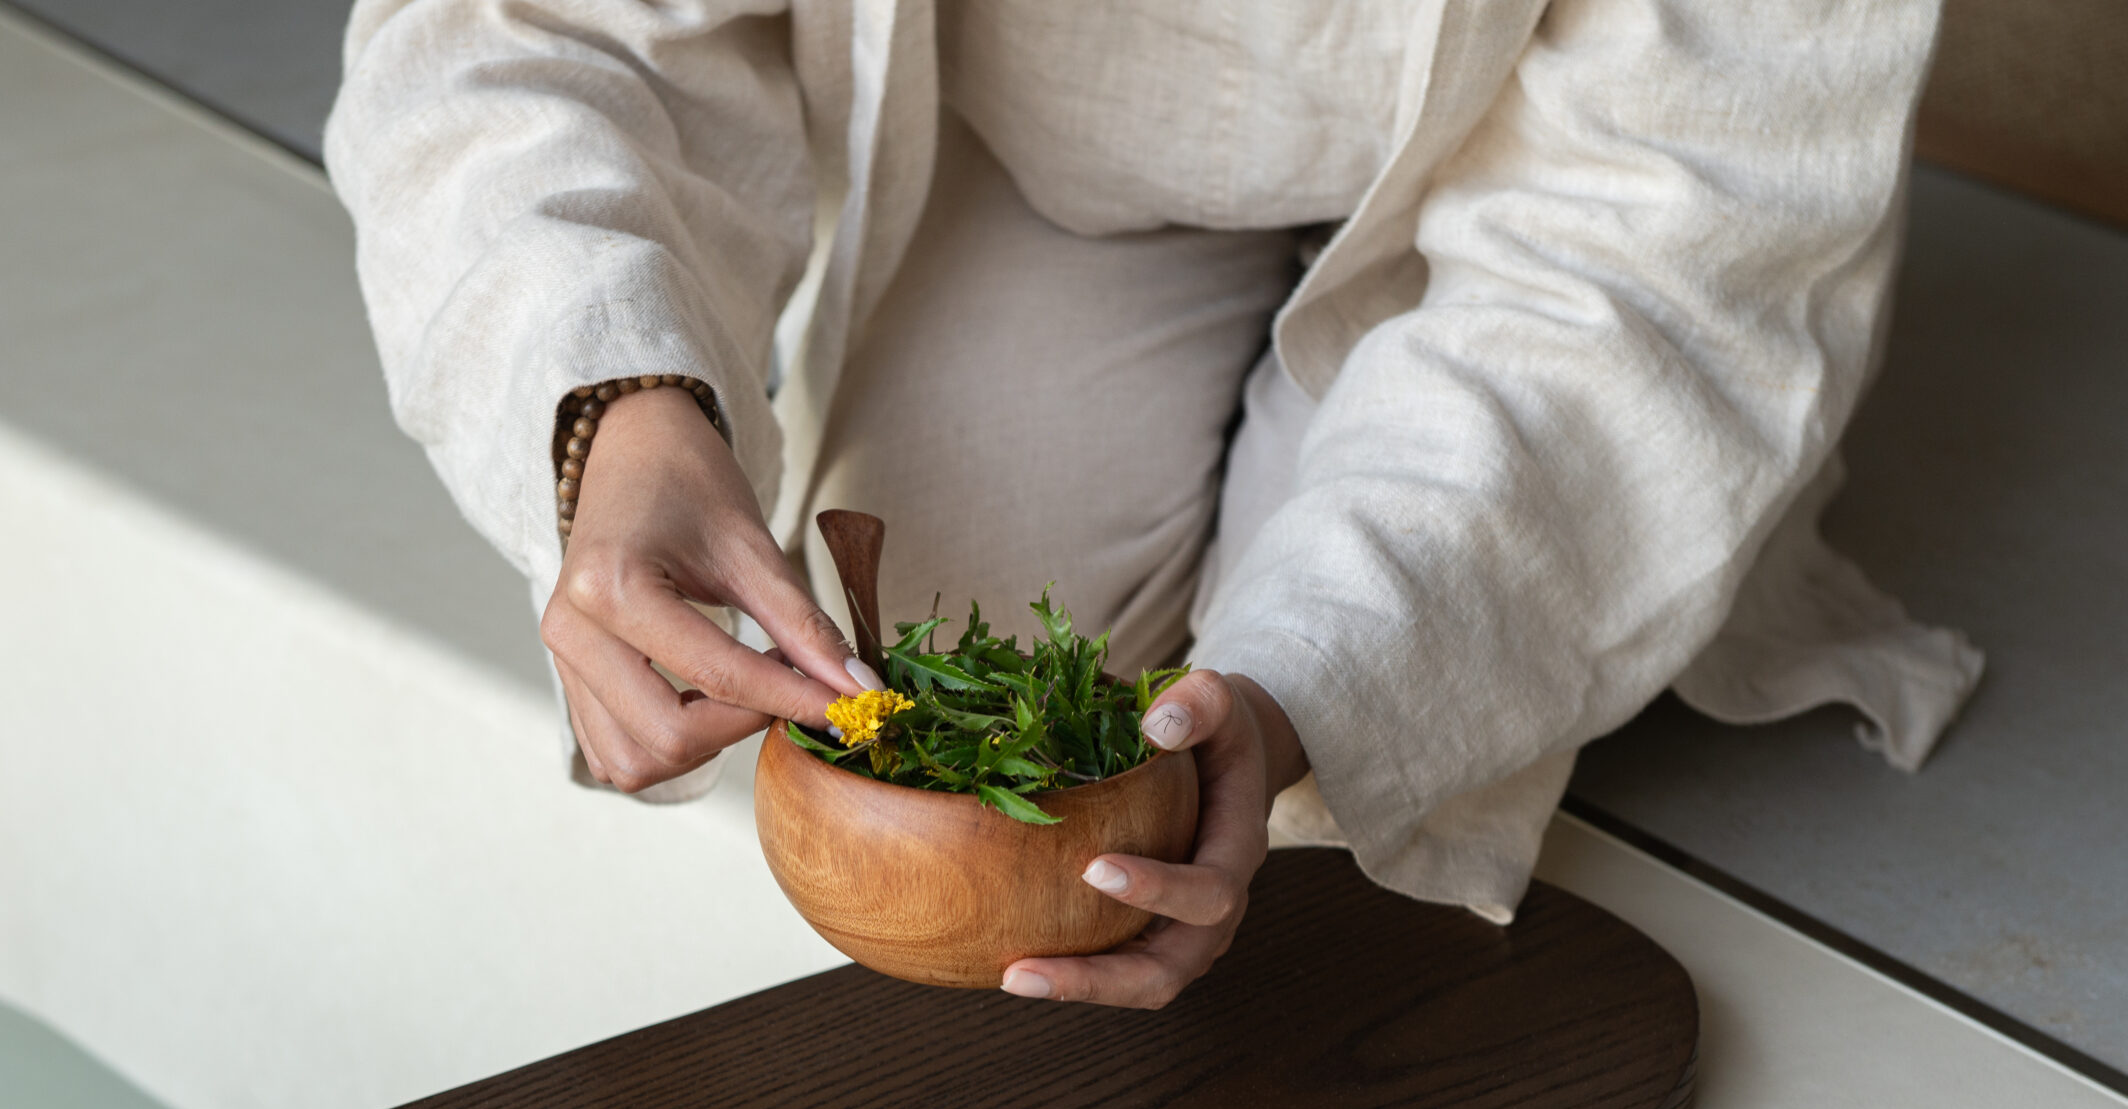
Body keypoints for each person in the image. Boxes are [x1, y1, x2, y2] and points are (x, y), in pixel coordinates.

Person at [325, 0, 1981, 1010]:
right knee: (970, 760)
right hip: (1037, 162)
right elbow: (534, 27)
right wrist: (612, 409)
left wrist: (1309, 691)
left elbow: (1649, 265)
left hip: (1541, 221)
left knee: (1297, 854)